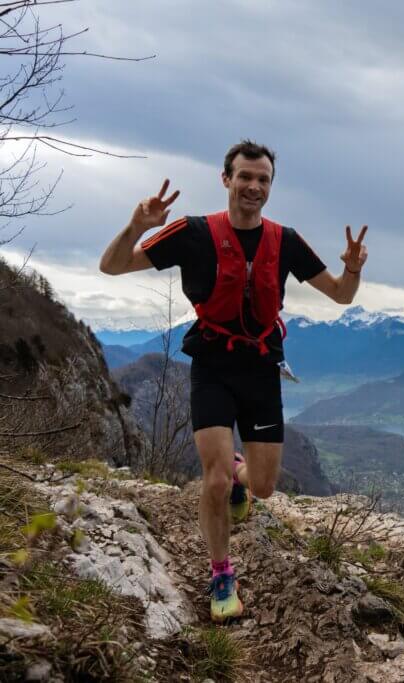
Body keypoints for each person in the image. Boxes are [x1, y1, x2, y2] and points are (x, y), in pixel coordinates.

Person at [99, 140, 368, 621]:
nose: (254, 186)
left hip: (262, 369)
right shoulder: (194, 233)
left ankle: (243, 474)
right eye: (245, 176)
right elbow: (112, 265)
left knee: (262, 487)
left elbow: (342, 296)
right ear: (226, 179)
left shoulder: (285, 241)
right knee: (216, 479)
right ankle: (221, 574)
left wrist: (352, 267)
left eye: (263, 179)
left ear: (270, 187)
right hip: (213, 365)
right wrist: (137, 226)